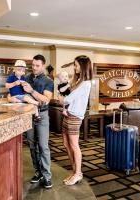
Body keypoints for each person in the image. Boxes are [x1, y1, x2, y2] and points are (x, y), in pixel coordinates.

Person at [58, 55, 93, 186]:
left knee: (74, 145)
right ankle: (74, 171)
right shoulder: (77, 80)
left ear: (83, 67)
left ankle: (78, 173)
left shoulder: (86, 83)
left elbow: (66, 99)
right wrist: (63, 98)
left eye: (76, 65)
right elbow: (65, 94)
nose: (74, 67)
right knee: (66, 143)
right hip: (67, 115)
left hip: (75, 117)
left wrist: (62, 99)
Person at [21, 54, 54, 189]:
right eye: (33, 65)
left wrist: (31, 91)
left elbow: (46, 100)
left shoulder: (48, 81)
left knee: (43, 146)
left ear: (43, 66)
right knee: (32, 145)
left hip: (42, 115)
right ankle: (38, 172)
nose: (34, 68)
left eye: (37, 66)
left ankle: (47, 176)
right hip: (28, 115)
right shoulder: (26, 77)